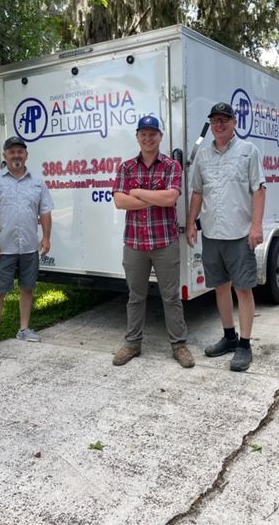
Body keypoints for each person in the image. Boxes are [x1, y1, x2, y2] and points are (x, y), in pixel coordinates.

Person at [186, 102, 265, 371]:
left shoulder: (248, 151)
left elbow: (258, 190)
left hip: (240, 234)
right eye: (215, 121)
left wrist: (256, 226)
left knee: (242, 289)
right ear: (211, 125)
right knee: (219, 287)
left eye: (224, 120)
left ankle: (244, 345)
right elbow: (197, 192)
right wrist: (190, 223)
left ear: (234, 123)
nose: (219, 125)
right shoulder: (203, 157)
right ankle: (229, 337)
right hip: (212, 233)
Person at [112, 115, 195, 368]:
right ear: (137, 137)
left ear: (161, 136)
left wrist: (136, 192)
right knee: (135, 296)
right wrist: (154, 197)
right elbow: (119, 201)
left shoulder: (172, 166)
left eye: (153, 134)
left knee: (170, 296)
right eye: (143, 134)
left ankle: (179, 345)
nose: (148, 138)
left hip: (165, 242)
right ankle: (132, 344)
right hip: (134, 243)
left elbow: (171, 199)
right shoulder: (126, 167)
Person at [0, 136, 53, 358]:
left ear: (26, 155)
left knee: (27, 288)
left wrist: (46, 238)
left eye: (20, 151)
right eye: (12, 152)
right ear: (5, 155)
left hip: (29, 246)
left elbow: (45, 212)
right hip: (4, 247)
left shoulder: (37, 182)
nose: (16, 155)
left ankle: (23, 329)